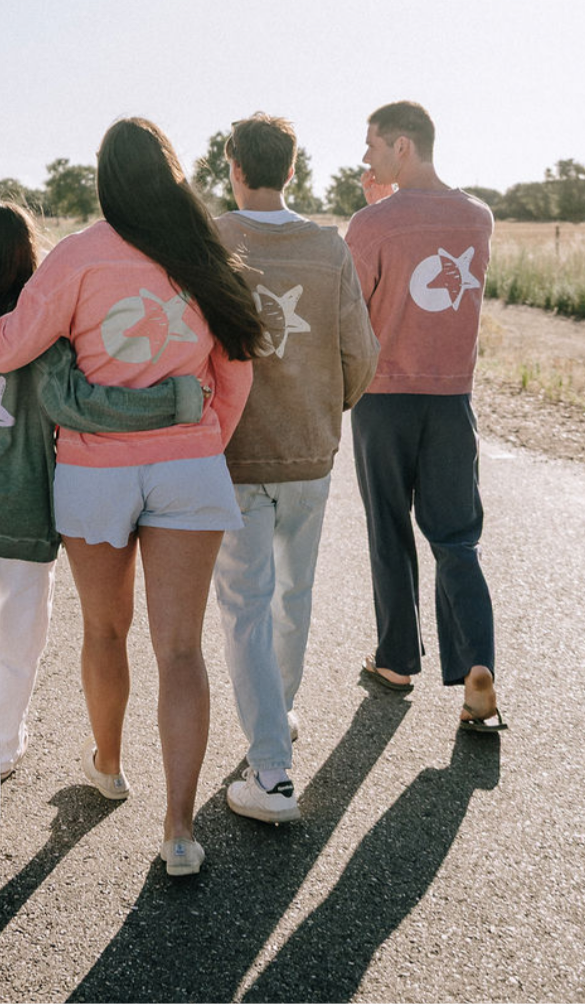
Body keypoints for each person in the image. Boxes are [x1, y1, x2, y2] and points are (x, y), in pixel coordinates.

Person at [0, 117, 263, 876]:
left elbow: (5, 346)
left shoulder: (78, 255)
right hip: (187, 465)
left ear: (105, 180)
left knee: (105, 630)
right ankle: (178, 828)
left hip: (94, 473)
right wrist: (205, 438)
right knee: (181, 650)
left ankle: (109, 766)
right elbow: (237, 367)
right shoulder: (201, 253)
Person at [0, 200, 208, 857]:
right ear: (30, 261)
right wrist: (176, 400)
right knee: (19, 644)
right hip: (22, 511)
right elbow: (78, 403)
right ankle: (4, 745)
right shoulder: (41, 329)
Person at [211, 115, 378, 823]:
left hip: (237, 453)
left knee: (245, 606)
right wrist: (328, 408)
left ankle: (272, 770)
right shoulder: (328, 246)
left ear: (233, 167)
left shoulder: (214, 239)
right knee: (293, 593)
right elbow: (360, 352)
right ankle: (277, 711)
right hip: (311, 452)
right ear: (292, 168)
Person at [344, 101, 505, 733]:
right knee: (456, 537)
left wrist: (376, 213)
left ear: (402, 146)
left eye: (373, 144)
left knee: (389, 526)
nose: (366, 156)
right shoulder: (478, 218)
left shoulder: (371, 225)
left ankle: (395, 662)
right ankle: (476, 668)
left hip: (384, 399)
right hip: (451, 399)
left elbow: (353, 313)